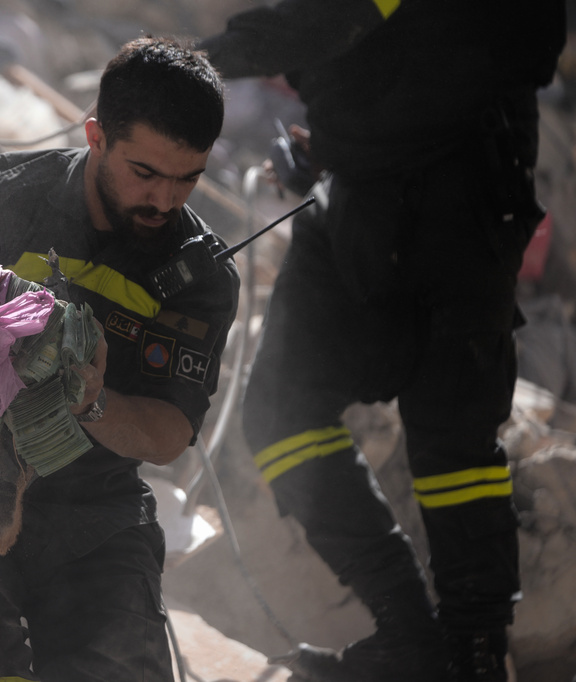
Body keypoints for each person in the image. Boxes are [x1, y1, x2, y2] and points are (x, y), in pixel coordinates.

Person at [197, 1, 566, 681]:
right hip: (362, 190)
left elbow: (337, 17)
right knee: (282, 412)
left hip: (459, 203)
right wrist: (344, 132)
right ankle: (416, 637)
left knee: (450, 438)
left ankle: (472, 652)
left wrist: (192, 60)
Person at [0, 36, 239, 682]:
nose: (164, 201)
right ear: (96, 135)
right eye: (145, 173)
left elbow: (169, 432)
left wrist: (92, 399)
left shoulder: (199, 275)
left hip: (95, 510)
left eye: (188, 179)